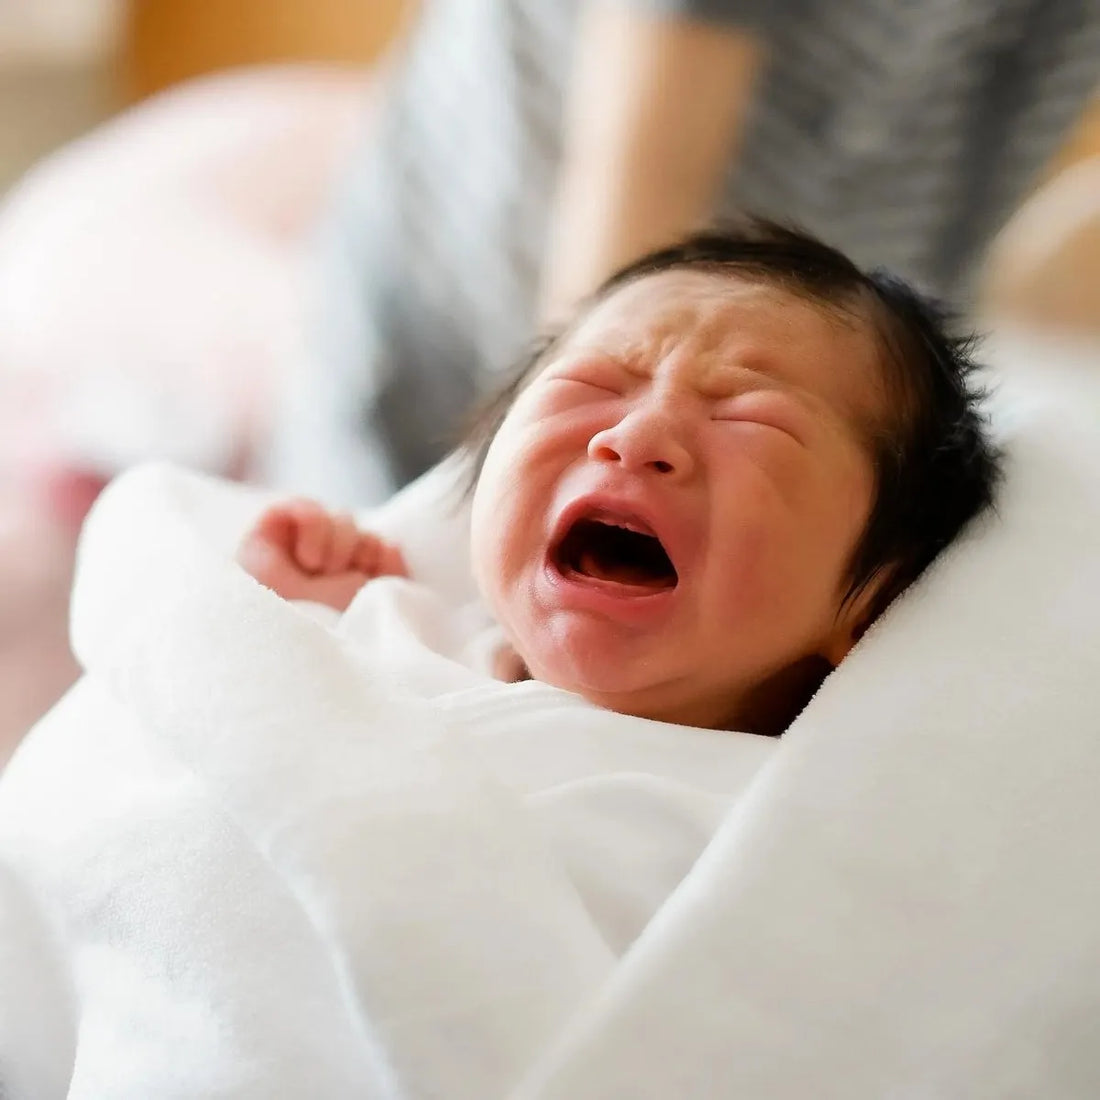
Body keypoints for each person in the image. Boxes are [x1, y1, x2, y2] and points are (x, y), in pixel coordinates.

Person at [266, 0, 1097, 506]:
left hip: (822, 305)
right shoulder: (607, 398)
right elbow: (638, 174)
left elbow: (985, 175)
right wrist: (556, 462)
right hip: (500, 286)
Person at [243, 222, 1001, 734]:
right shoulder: (403, 639)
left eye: (752, 420)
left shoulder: (789, 820)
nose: (635, 438)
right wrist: (295, 612)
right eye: (594, 383)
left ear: (874, 601)